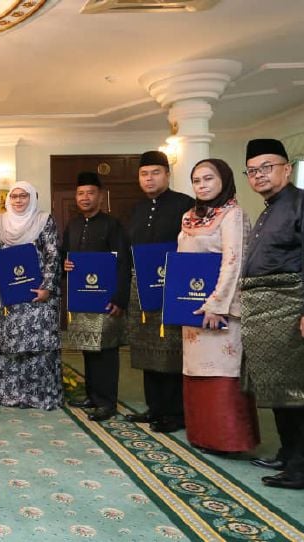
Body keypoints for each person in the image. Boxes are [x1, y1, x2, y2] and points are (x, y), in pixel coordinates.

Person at [240, 138, 304, 489]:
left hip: (295, 311)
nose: (259, 175)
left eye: (267, 167)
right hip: (267, 316)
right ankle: (290, 456)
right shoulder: (269, 208)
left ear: (286, 169)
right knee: (280, 390)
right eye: (253, 170)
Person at [178, 159, 259, 454]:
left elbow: (233, 262)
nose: (202, 185)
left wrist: (217, 304)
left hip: (220, 311)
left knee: (222, 373)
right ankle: (202, 436)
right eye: (197, 180)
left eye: (208, 179)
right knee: (196, 372)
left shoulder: (233, 215)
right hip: (192, 309)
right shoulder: (188, 216)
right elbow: (182, 263)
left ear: (224, 180)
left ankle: (229, 439)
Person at [126, 151, 194, 433]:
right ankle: (155, 408)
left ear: (167, 174)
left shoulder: (186, 205)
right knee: (146, 349)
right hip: (142, 288)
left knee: (172, 350)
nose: (149, 178)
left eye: (155, 172)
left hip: (173, 287)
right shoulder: (136, 210)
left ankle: (175, 414)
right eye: (144, 174)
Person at [62, 172, 130, 422]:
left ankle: (106, 402)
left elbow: (123, 262)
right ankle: (92, 395)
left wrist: (120, 298)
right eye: (81, 193)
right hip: (82, 299)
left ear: (100, 196)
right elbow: (64, 258)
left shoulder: (112, 225)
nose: (85, 197)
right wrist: (65, 265)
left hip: (105, 300)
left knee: (105, 351)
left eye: (90, 193)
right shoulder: (74, 225)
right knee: (87, 348)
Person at [0, 181, 62, 410]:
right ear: (8, 200)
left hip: (37, 296)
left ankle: (39, 396)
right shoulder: (1, 223)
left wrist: (47, 287)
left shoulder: (44, 220)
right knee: (9, 345)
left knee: (39, 347)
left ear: (32, 198)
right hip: (9, 297)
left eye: (24, 196)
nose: (19, 200)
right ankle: (11, 394)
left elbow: (53, 255)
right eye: (14, 196)